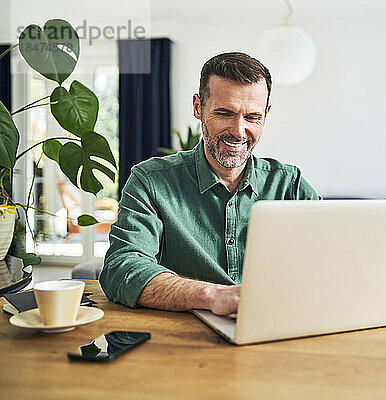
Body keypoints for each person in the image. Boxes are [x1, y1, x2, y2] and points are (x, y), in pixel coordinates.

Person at [99, 52, 320, 317]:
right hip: (184, 341)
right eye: (225, 113)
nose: (238, 131)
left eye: (252, 117)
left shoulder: (290, 186)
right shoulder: (151, 182)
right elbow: (121, 267)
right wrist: (212, 296)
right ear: (198, 107)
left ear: (266, 113)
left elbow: (330, 263)